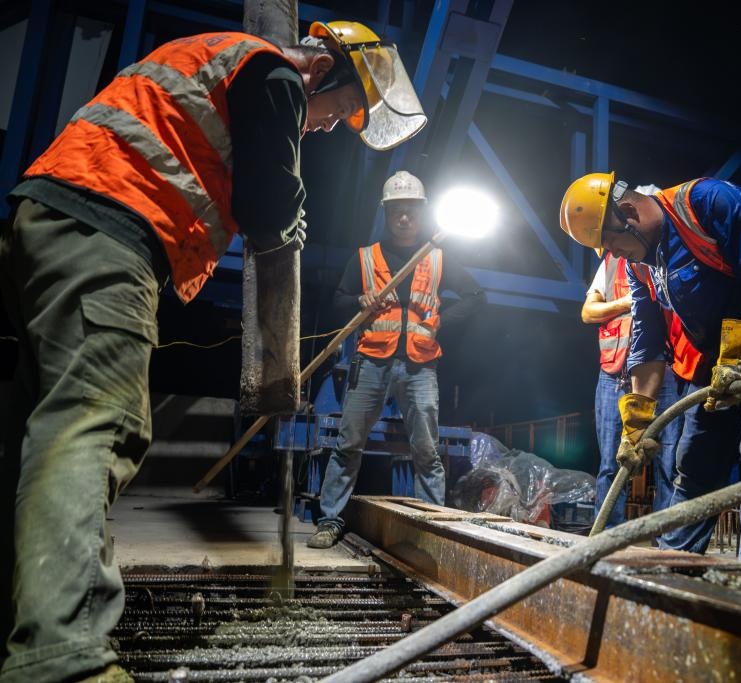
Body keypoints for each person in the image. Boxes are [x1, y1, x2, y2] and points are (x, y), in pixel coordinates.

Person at [0, 20, 425, 682]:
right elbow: (267, 201)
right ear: (321, 70)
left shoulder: (216, 62)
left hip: (47, 219)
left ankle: (25, 628)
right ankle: (65, 659)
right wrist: (289, 215)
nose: (325, 127)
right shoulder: (274, 73)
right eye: (336, 110)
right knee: (96, 424)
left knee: (34, 438)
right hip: (108, 226)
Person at [559, 172, 741, 575]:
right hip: (713, 359)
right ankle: (671, 574)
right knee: (695, 464)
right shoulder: (641, 266)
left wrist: (736, 355)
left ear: (628, 213)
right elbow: (648, 341)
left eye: (613, 243)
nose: (617, 255)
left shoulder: (707, 202)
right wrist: (637, 420)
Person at [307, 171, 485, 549]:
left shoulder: (436, 257)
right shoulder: (364, 258)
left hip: (420, 366)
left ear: (421, 213)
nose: (404, 218)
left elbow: (475, 296)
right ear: (386, 214)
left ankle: (431, 529)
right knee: (348, 445)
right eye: (396, 211)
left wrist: (441, 322)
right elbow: (338, 301)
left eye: (411, 211)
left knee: (426, 450)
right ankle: (329, 521)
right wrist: (359, 301)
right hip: (372, 362)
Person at [582, 249, 694, 531]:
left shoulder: (668, 253)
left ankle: (665, 537)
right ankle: (607, 536)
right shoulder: (612, 262)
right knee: (612, 464)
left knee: (670, 464)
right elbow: (588, 312)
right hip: (614, 375)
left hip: (665, 374)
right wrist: (628, 301)